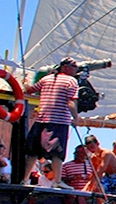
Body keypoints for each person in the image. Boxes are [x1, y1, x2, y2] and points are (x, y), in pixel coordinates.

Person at [22, 56, 79, 188]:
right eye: (74, 67)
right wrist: (76, 118)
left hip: (41, 119)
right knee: (58, 152)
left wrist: (24, 82)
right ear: (65, 67)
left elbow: (30, 90)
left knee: (33, 151)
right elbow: (70, 102)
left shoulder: (46, 79)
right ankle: (57, 181)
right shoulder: (71, 81)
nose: (76, 70)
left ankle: (24, 179)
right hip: (59, 121)